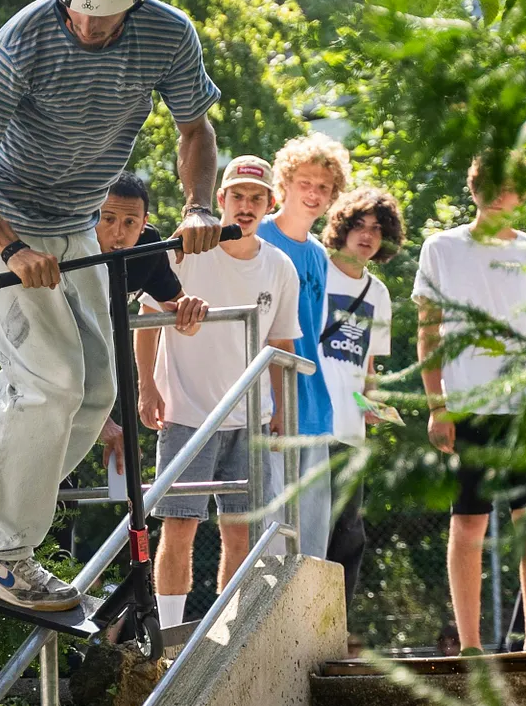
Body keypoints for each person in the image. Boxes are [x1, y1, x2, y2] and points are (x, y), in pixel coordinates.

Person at [0, 0, 222, 613]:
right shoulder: (21, 43)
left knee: (96, 390)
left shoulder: (168, 36)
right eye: (77, 10)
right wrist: (12, 248)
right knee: (47, 380)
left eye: (104, 20)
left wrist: (199, 202)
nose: (87, 26)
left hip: (74, 222)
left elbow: (194, 128)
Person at [413, 153, 526, 654]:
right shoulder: (441, 247)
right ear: (474, 189)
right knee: (469, 522)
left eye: (512, 187)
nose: (502, 196)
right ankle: (472, 646)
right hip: (467, 406)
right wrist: (437, 406)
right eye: (492, 185)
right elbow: (429, 331)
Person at [138, 155, 299, 628]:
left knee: (240, 531)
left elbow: (281, 343)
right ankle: (169, 635)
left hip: (249, 416)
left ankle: (230, 632)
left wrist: (282, 409)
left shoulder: (280, 267)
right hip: (187, 412)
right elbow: (147, 321)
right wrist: (146, 387)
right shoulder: (186, 250)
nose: (246, 206)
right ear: (221, 200)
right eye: (237, 196)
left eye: (256, 198)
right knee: (180, 524)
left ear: (270, 204)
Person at [257, 132, 351, 558]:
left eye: (324, 187)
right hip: (269, 405)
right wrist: (275, 402)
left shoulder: (317, 255)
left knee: (313, 544)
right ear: (285, 183)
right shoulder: (256, 237)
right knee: (271, 536)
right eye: (305, 182)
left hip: (313, 404)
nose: (314, 193)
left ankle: (303, 628)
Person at [319, 186, 402, 607]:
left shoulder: (380, 294)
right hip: (311, 421)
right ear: (342, 228)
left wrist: (375, 406)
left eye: (377, 229)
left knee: (348, 536)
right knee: (309, 531)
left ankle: (334, 631)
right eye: (359, 225)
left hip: (352, 430)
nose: (367, 235)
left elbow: (368, 366)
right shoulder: (317, 267)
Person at [93, 170, 208, 473]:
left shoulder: (149, 249)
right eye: (107, 219)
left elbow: (184, 319)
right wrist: (98, 419)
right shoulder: (73, 245)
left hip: (94, 371)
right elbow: (59, 344)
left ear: (144, 224)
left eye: (130, 222)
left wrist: (190, 311)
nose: (118, 233)